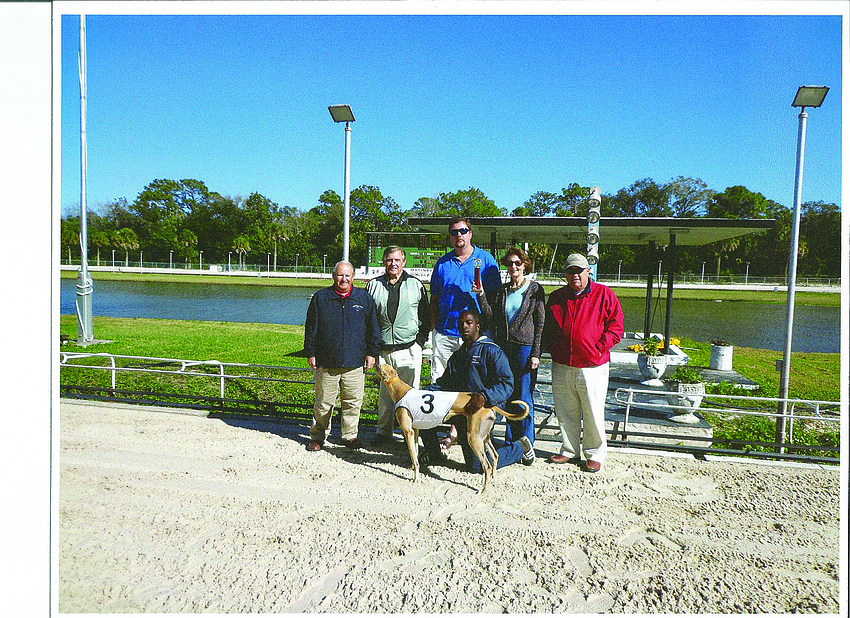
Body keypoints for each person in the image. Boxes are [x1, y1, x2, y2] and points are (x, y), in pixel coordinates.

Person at [542, 253, 623, 473]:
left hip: (592, 365)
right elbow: (547, 327)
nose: (575, 275)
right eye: (570, 271)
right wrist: (551, 348)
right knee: (565, 410)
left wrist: (599, 346)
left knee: (593, 410)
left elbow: (616, 326)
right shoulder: (557, 297)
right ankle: (569, 450)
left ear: (588, 271)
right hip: (562, 364)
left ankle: (595, 453)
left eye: (579, 270)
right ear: (566, 275)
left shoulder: (604, 294)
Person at [419, 309, 514, 472]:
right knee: (423, 413)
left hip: (485, 410)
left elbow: (507, 383)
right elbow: (445, 384)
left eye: (468, 323)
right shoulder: (458, 355)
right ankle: (434, 455)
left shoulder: (492, 351)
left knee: (476, 467)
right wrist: (422, 393)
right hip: (461, 411)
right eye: (461, 323)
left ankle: (519, 448)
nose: (464, 326)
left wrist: (485, 396)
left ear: (477, 326)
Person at [476, 246, 546, 467]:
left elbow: (541, 325)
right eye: (510, 264)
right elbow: (491, 317)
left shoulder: (535, 290)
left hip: (525, 349)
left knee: (523, 396)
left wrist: (536, 353)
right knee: (506, 395)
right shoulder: (504, 291)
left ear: (525, 265)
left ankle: (527, 445)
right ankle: (511, 442)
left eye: (518, 263)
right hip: (504, 348)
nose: (513, 267)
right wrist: (480, 296)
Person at [303, 261, 380, 452]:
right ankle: (318, 436)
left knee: (353, 403)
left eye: (347, 275)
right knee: (323, 404)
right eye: (340, 275)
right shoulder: (321, 298)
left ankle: (350, 436)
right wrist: (311, 352)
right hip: (327, 362)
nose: (343, 279)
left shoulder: (363, 299)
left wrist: (372, 353)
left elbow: (373, 329)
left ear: (353, 277)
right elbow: (311, 328)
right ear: (333, 276)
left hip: (355, 362)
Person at [365, 246, 431, 444]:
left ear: (404, 262)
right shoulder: (373, 286)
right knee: (385, 395)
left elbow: (426, 317)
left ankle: (411, 436)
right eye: (389, 260)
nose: (393, 264)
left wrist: (419, 343)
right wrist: (372, 348)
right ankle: (382, 432)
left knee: (411, 395)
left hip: (409, 348)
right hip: (383, 350)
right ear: (383, 262)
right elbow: (368, 319)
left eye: (397, 260)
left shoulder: (416, 284)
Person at [429, 217, 501, 381]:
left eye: (463, 231)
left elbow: (495, 298)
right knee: (441, 382)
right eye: (454, 232)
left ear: (470, 234)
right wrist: (434, 329)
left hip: (475, 336)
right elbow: (434, 298)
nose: (458, 235)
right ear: (450, 236)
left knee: (474, 383)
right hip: (445, 334)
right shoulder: (442, 263)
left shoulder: (486, 260)